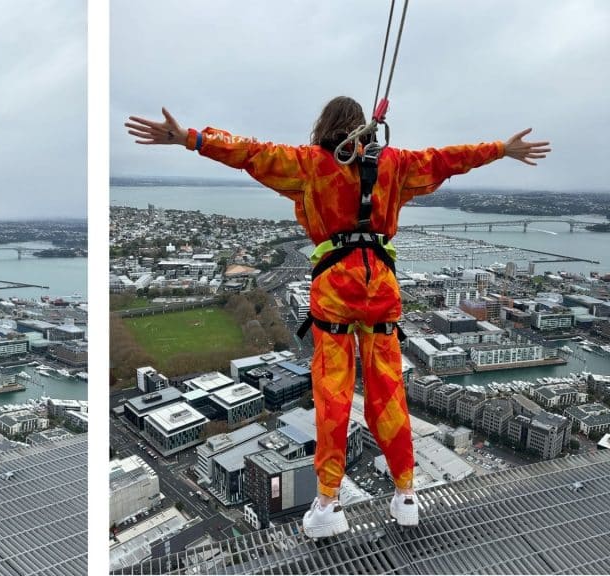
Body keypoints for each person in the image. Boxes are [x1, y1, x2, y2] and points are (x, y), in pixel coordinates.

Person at [126, 97, 550, 539]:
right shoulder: (395, 165)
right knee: (388, 390)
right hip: (381, 285)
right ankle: (406, 494)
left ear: (324, 126)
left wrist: (193, 139)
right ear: (364, 128)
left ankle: (328, 501)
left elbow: (250, 152)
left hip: (335, 286)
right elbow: (446, 160)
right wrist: (500, 148)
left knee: (334, 392)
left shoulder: (311, 164)